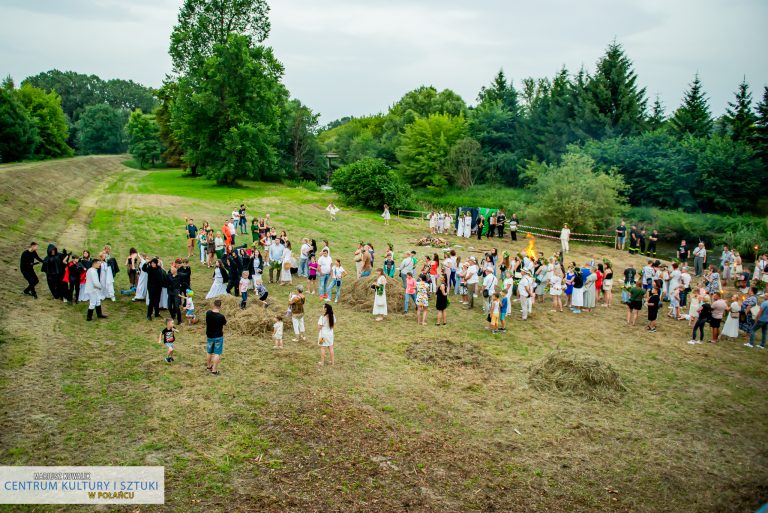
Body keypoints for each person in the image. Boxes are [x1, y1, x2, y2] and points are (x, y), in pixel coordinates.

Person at [205, 299, 226, 375]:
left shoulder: (208, 313)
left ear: (213, 305)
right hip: (218, 337)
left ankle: (208, 366)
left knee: (209, 351)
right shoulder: (221, 316)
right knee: (217, 353)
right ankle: (214, 370)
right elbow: (224, 323)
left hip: (209, 336)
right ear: (220, 306)